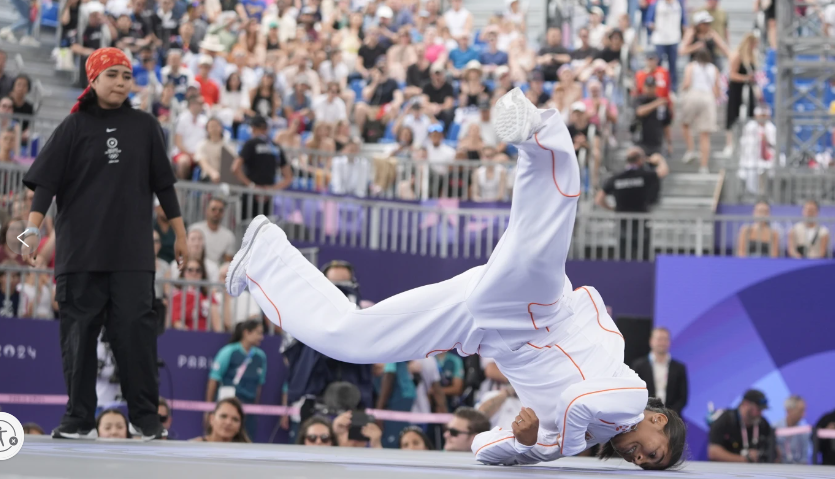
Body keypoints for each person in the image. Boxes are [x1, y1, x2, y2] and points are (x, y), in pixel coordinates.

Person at [225, 88, 687, 469]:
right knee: (541, 232)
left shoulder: (571, 442)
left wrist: (524, 442)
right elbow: (576, 405)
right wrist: (547, 443)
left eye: (647, 464)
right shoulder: (632, 397)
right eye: (656, 452)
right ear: (660, 421)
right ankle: (540, 130)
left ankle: (264, 256)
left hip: (478, 328)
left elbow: (483, 448)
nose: (642, 458)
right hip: (537, 314)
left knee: (353, 339)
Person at [21, 48, 186, 440]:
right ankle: (78, 419)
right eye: (112, 74)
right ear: (92, 79)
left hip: (132, 255)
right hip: (81, 253)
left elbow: (164, 183)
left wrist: (180, 233)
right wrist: (32, 229)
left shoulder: (146, 126)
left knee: (136, 337)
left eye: (126, 76)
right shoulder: (73, 126)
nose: (120, 83)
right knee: (78, 340)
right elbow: (46, 184)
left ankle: (146, 419)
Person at [596, 148, 669, 260]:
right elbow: (663, 171)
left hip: (622, 222)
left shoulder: (616, 177)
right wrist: (660, 159)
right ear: (640, 160)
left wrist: (611, 208)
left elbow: (599, 199)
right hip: (641, 222)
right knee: (643, 257)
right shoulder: (644, 175)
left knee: (623, 256)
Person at [206, 319, 267, 439]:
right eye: (258, 333)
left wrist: (255, 407)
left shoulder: (261, 357)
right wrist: (208, 408)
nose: (261, 337)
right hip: (228, 404)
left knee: (246, 441)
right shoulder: (229, 351)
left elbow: (259, 385)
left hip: (248, 408)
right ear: (246, 333)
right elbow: (214, 379)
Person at [232, 116, 292, 219]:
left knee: (247, 230)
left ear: (253, 128)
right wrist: (271, 189)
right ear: (266, 129)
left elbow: (235, 168)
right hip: (267, 196)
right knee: (264, 231)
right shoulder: (276, 147)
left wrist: (252, 186)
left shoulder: (251, 143)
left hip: (251, 195)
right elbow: (288, 177)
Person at [630, 328, 688, 416]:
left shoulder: (679, 368)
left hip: (671, 417)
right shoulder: (638, 366)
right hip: (644, 416)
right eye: (659, 339)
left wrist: (669, 414)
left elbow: (682, 398)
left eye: (665, 339)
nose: (662, 343)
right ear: (651, 341)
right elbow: (634, 393)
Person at [679, 48, 719, 174]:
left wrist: (682, 91)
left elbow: (686, 83)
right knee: (705, 134)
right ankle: (704, 166)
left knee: (685, 123)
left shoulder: (691, 66)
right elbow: (717, 90)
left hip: (693, 94)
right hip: (708, 97)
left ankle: (691, 149)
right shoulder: (714, 69)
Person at [708, 389, 776, 463]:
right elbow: (712, 451)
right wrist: (743, 459)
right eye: (758, 409)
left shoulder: (762, 423)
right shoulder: (726, 420)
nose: (760, 413)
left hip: (754, 471)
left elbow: (772, 450)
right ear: (746, 404)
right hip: (726, 470)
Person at [775, 395, 811, 464]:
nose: (803, 415)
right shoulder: (775, 428)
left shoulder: (804, 431)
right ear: (789, 410)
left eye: (804, 410)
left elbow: (804, 458)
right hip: (778, 469)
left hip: (798, 471)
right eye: (800, 411)